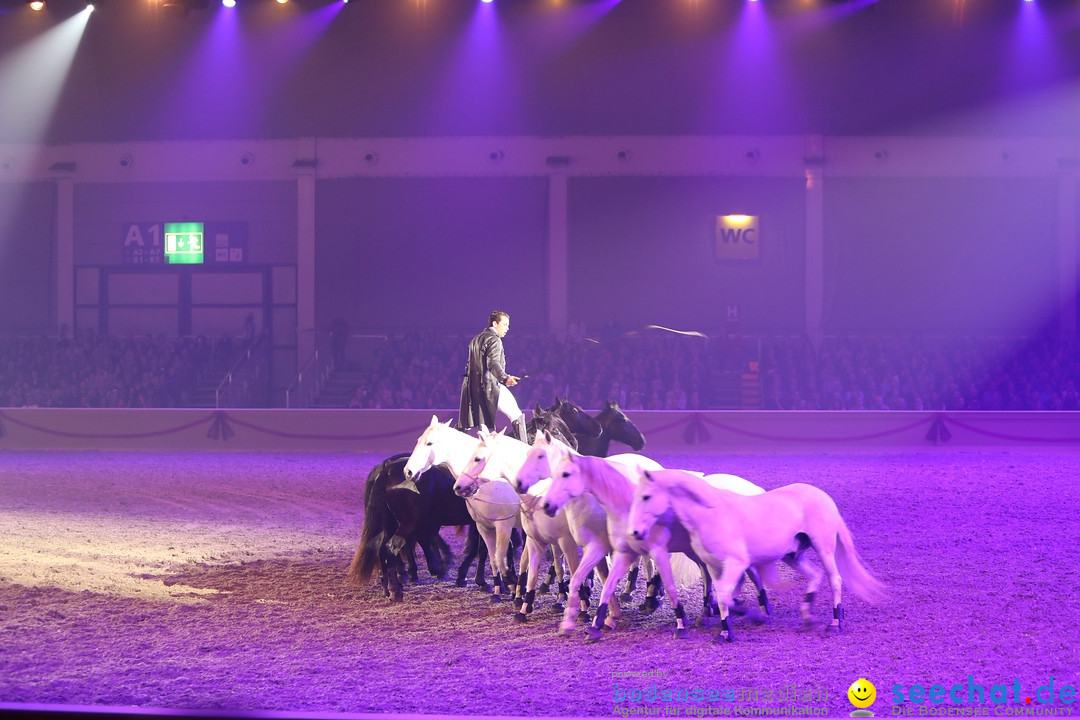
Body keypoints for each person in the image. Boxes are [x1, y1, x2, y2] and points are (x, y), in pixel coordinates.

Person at [458, 310, 527, 442]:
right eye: (505, 324)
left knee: (474, 426)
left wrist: (505, 375)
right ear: (495, 323)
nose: (508, 328)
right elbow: (493, 363)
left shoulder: (476, 338)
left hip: (472, 386)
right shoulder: (494, 340)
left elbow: (480, 364)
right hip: (489, 386)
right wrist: (505, 378)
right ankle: (524, 450)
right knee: (516, 415)